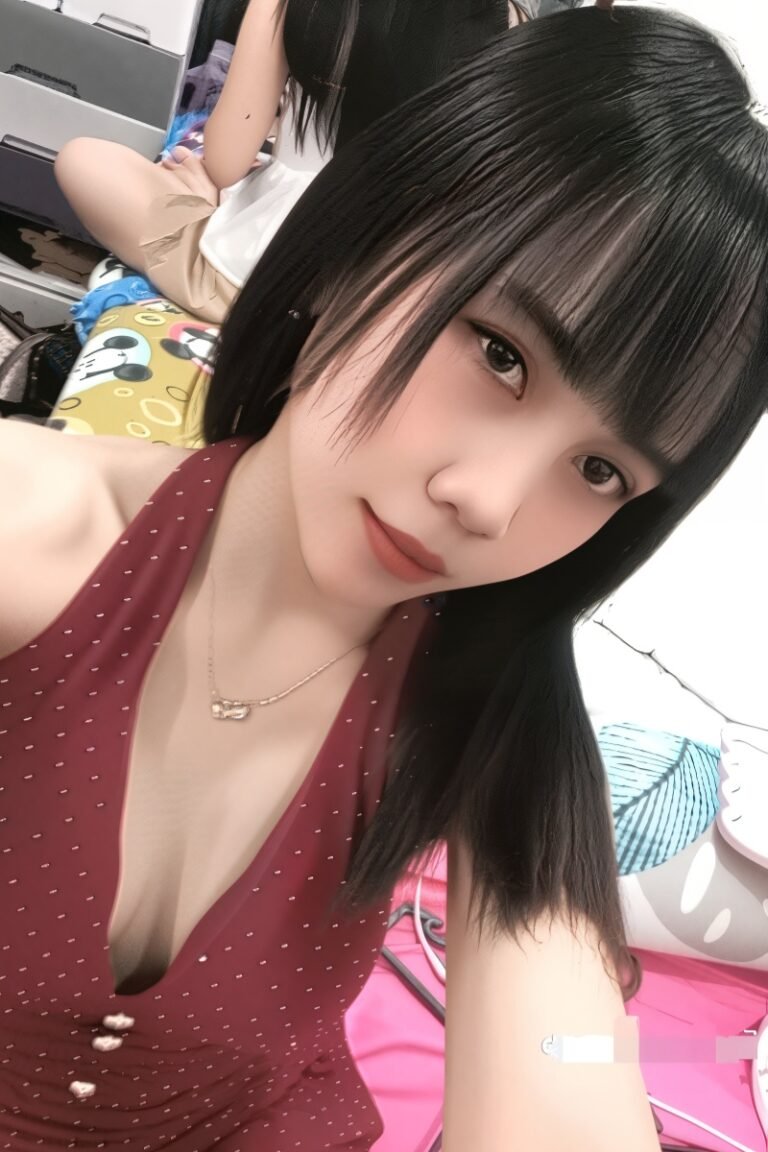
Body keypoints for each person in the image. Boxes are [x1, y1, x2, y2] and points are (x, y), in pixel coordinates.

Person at [3, 7, 768, 1150]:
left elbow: (568, 1062)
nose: (491, 503)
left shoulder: (496, 713)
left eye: (601, 470)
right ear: (368, 237)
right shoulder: (32, 537)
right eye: (500, 353)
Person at [53, 0, 589, 323]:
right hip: (377, 301)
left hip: (251, 272)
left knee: (84, 159)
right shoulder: (513, 24)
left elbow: (225, 162)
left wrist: (204, 195)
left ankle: (244, 307)